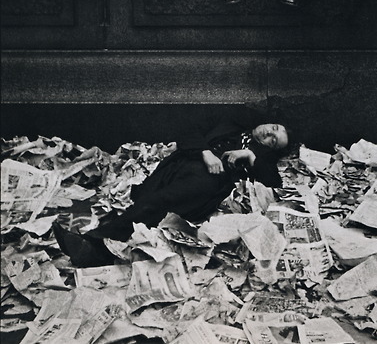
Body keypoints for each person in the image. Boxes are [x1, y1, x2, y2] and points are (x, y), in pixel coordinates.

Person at [53, 110, 290, 267]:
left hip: (209, 180)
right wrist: (205, 153)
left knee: (160, 203)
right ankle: (102, 249)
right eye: (274, 128)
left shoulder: (261, 158)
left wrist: (249, 155)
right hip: (182, 164)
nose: (270, 134)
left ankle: (94, 246)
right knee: (149, 204)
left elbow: (274, 185)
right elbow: (189, 130)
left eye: (274, 141)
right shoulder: (231, 122)